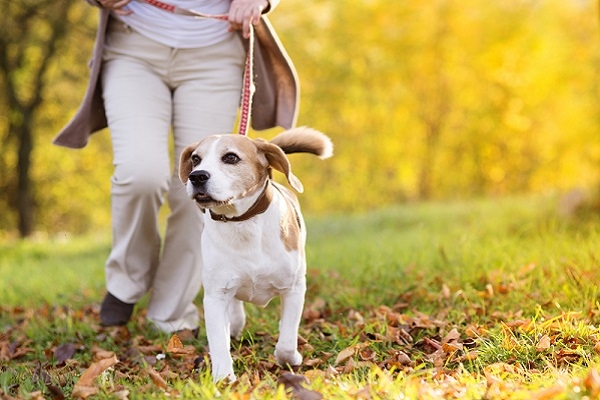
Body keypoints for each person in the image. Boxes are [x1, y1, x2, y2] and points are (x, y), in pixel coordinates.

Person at [53, 0, 299, 333]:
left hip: (216, 46)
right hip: (133, 43)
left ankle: (170, 312)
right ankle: (128, 278)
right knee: (140, 173)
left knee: (205, 191)